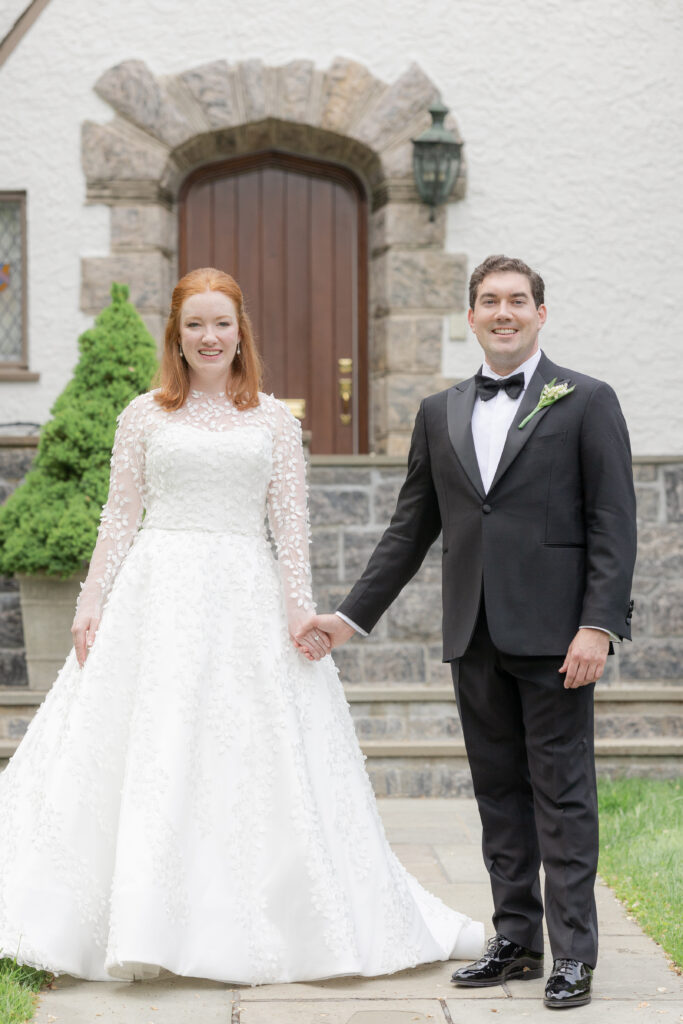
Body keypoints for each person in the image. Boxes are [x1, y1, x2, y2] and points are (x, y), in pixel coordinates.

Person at [0, 267, 484, 984]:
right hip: (155, 595)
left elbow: (291, 527)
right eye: (193, 323)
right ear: (176, 333)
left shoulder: (272, 422)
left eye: (220, 323)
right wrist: (89, 600)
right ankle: (130, 918)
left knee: (249, 757)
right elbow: (118, 515)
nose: (207, 336)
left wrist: (298, 609)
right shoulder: (142, 414)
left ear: (240, 331)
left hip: (243, 597)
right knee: (151, 749)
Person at [298, 255, 637, 1009]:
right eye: (489, 301)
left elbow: (612, 524)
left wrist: (597, 626)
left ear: (540, 313)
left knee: (563, 795)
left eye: (517, 300)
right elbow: (407, 531)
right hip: (473, 633)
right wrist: (347, 619)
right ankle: (515, 941)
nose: (503, 312)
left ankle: (574, 954)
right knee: (497, 796)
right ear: (471, 317)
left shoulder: (586, 400)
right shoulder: (438, 411)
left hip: (557, 639)